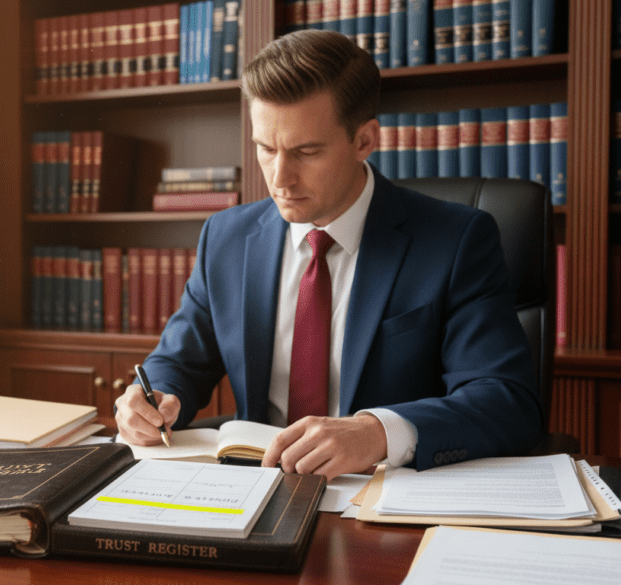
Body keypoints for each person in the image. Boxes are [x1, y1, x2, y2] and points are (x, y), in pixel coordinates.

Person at [114, 29, 544, 480]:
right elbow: (178, 362)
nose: (281, 178)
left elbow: (506, 399)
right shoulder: (227, 236)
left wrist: (379, 431)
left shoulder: (456, 240)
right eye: (266, 149)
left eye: (306, 152)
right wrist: (152, 398)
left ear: (364, 140)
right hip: (254, 487)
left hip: (379, 498)